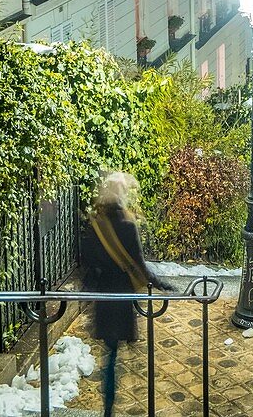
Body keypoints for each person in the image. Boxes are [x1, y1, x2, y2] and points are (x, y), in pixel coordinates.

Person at [81, 171, 175, 417]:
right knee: (117, 349)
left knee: (109, 354)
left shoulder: (95, 224)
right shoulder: (127, 223)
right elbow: (140, 266)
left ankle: (108, 407)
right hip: (122, 295)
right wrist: (163, 285)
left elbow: (88, 262)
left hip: (104, 297)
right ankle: (135, 399)